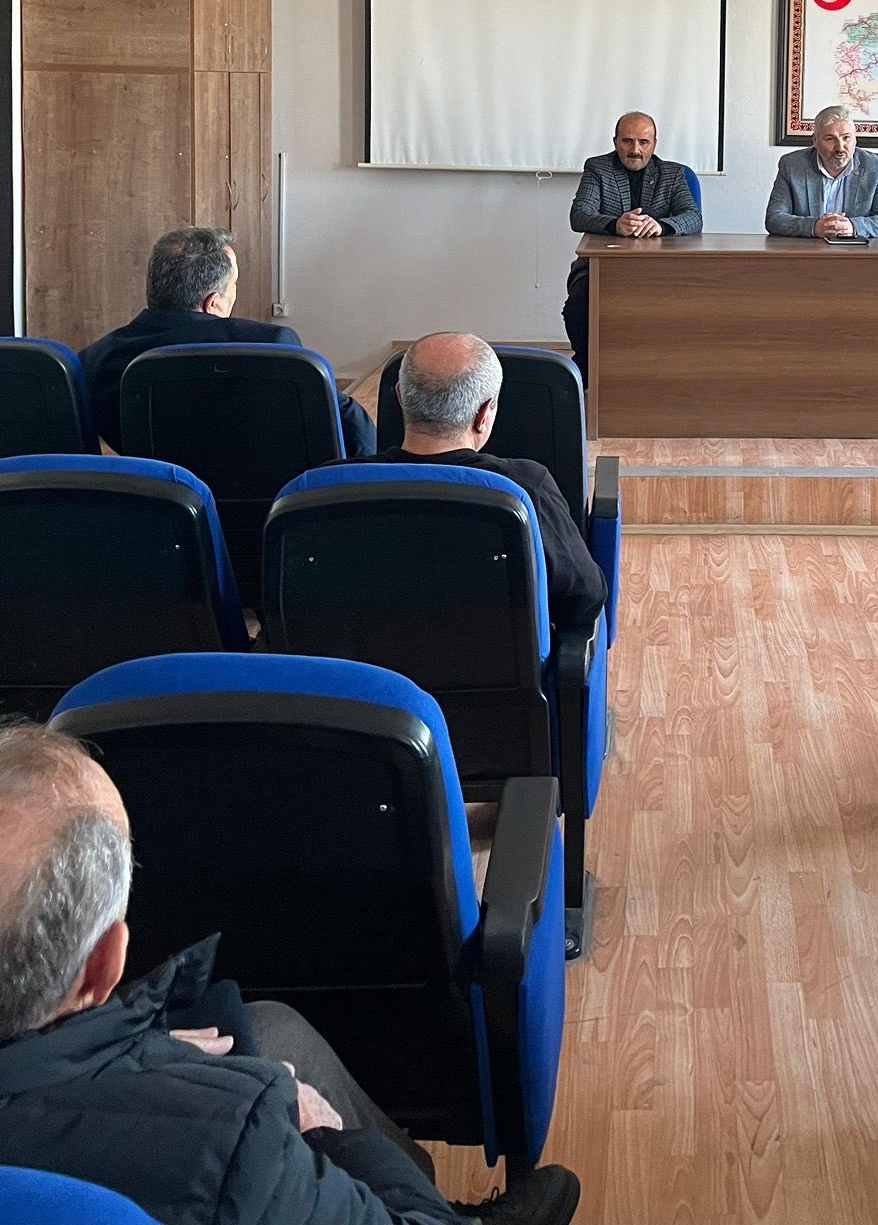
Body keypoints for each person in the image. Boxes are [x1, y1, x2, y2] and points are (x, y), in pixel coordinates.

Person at [0, 723, 580, 1225]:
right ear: (105, 965)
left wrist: (131, 1056)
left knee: (271, 1029)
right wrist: (318, 1133)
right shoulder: (233, 1143)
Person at [318, 333, 607, 635]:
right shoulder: (525, 488)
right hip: (498, 663)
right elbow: (584, 598)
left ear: (401, 398)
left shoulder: (326, 488)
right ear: (483, 414)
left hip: (352, 663)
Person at [80, 227, 376, 460]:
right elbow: (353, 430)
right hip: (269, 508)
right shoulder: (270, 346)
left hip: (164, 509)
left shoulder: (94, 361)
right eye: (233, 285)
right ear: (212, 303)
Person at [561, 112, 702, 382]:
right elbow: (579, 215)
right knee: (579, 306)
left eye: (643, 142)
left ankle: (659, 374)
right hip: (601, 267)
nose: (635, 149)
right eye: (627, 141)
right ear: (615, 141)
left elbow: (694, 217)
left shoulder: (672, 173)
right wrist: (615, 223)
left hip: (660, 268)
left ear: (654, 144)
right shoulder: (598, 168)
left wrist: (661, 225)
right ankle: (590, 371)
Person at [765, 106, 878, 239]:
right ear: (815, 140)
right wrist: (814, 227)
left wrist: (854, 227)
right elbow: (774, 219)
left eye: (846, 138)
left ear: (855, 139)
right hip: (808, 249)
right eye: (830, 139)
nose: (840, 147)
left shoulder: (874, 166)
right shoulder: (792, 165)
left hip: (856, 250)